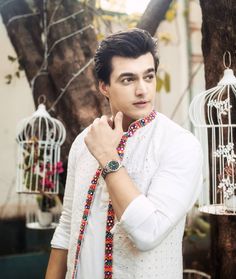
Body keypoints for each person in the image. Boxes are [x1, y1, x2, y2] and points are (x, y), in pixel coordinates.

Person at [45, 28, 203, 279]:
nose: (143, 90)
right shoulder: (84, 143)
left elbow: (148, 233)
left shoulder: (179, 145)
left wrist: (108, 157)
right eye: (128, 79)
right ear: (104, 86)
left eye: (148, 77)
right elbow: (67, 228)